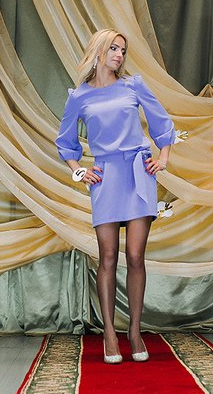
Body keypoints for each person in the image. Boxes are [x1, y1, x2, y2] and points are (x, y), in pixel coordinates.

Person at [56, 29, 175, 364]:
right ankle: (110, 333)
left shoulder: (133, 85)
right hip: (105, 176)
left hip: (138, 173)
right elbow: (65, 142)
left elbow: (162, 122)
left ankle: (134, 332)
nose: (120, 55)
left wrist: (163, 158)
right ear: (98, 51)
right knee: (107, 257)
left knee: (135, 256)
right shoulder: (79, 96)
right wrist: (79, 171)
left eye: (122, 50)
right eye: (114, 48)